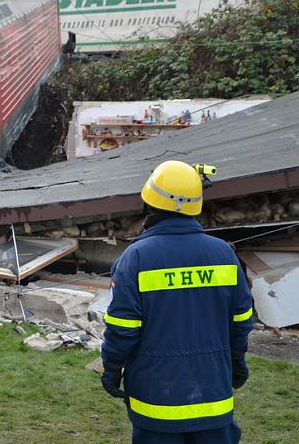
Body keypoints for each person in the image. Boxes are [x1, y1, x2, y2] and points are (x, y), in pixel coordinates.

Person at [101, 161, 254, 444]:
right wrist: (236, 362)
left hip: (156, 400)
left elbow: (123, 329)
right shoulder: (224, 254)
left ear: (149, 203)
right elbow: (242, 321)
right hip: (213, 396)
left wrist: (112, 369)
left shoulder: (135, 259)